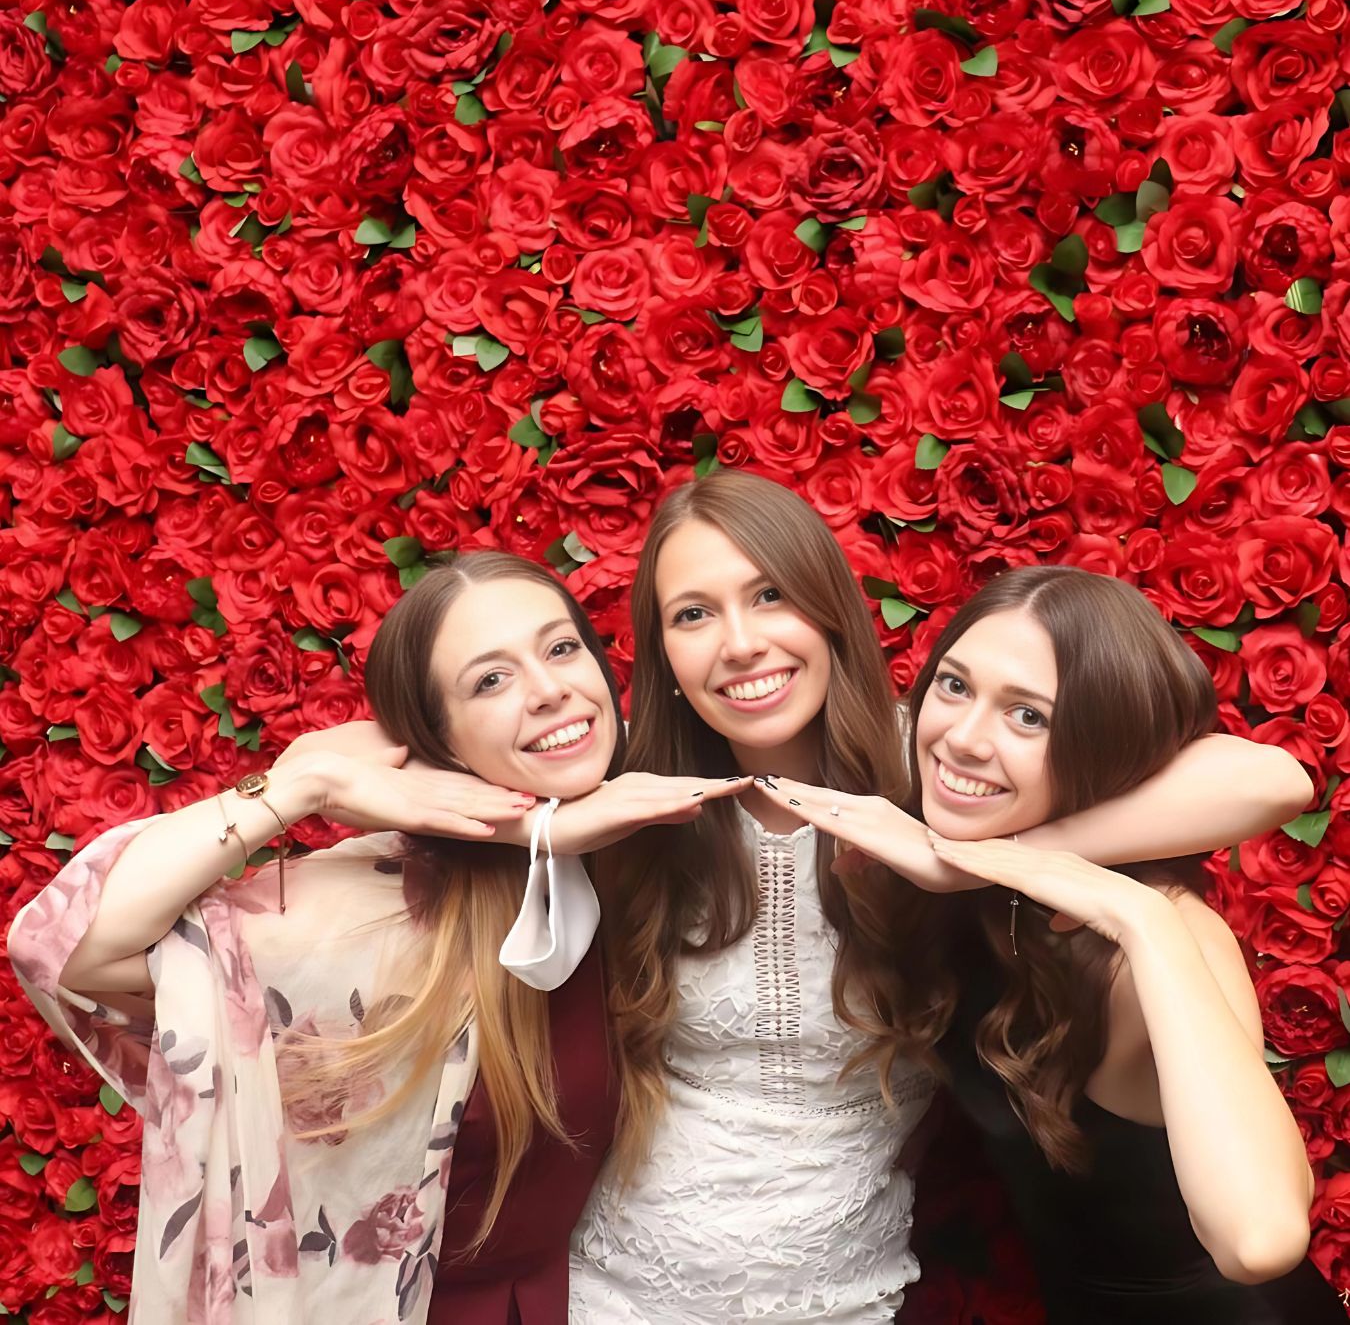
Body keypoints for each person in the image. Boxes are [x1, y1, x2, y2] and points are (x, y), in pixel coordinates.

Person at [566, 472, 1316, 1324]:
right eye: (692, 614)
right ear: (659, 651)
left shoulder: (931, 773)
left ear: (828, 609)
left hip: (848, 1292)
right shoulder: (631, 800)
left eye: (770, 594)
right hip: (620, 1283)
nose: (738, 643)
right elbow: (410, 753)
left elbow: (1270, 777)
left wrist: (974, 857)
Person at [7, 551, 747, 1325]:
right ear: (442, 739)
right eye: (489, 681)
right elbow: (73, 949)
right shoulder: (388, 902)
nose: (551, 690)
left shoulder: (631, 850)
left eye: (562, 649)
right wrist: (306, 782)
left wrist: (544, 832)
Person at [752, 565, 1342, 1323]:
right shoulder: (955, 849)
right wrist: (982, 865)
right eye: (955, 686)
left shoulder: (1156, 931)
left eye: (1029, 717)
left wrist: (1141, 915)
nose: (963, 739)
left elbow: (1259, 1241)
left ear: (1099, 744)